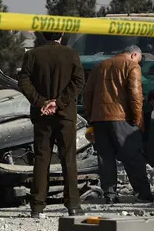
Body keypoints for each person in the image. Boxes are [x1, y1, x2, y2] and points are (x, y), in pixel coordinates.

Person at [18, 31, 85, 218]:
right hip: (65, 116)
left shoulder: (32, 55)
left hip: (42, 116)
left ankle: (37, 206)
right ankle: (73, 205)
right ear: (62, 34)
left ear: (44, 35)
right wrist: (60, 103)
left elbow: (23, 81)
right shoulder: (71, 54)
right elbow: (79, 81)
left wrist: (42, 102)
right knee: (68, 159)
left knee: (41, 159)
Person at [83, 45, 154, 204]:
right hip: (122, 118)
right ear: (134, 54)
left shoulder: (99, 66)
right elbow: (135, 95)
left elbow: (87, 93)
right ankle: (143, 193)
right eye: (139, 60)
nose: (139, 63)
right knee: (133, 156)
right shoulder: (131, 65)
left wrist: (91, 116)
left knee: (105, 158)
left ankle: (110, 195)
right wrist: (137, 119)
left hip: (99, 118)